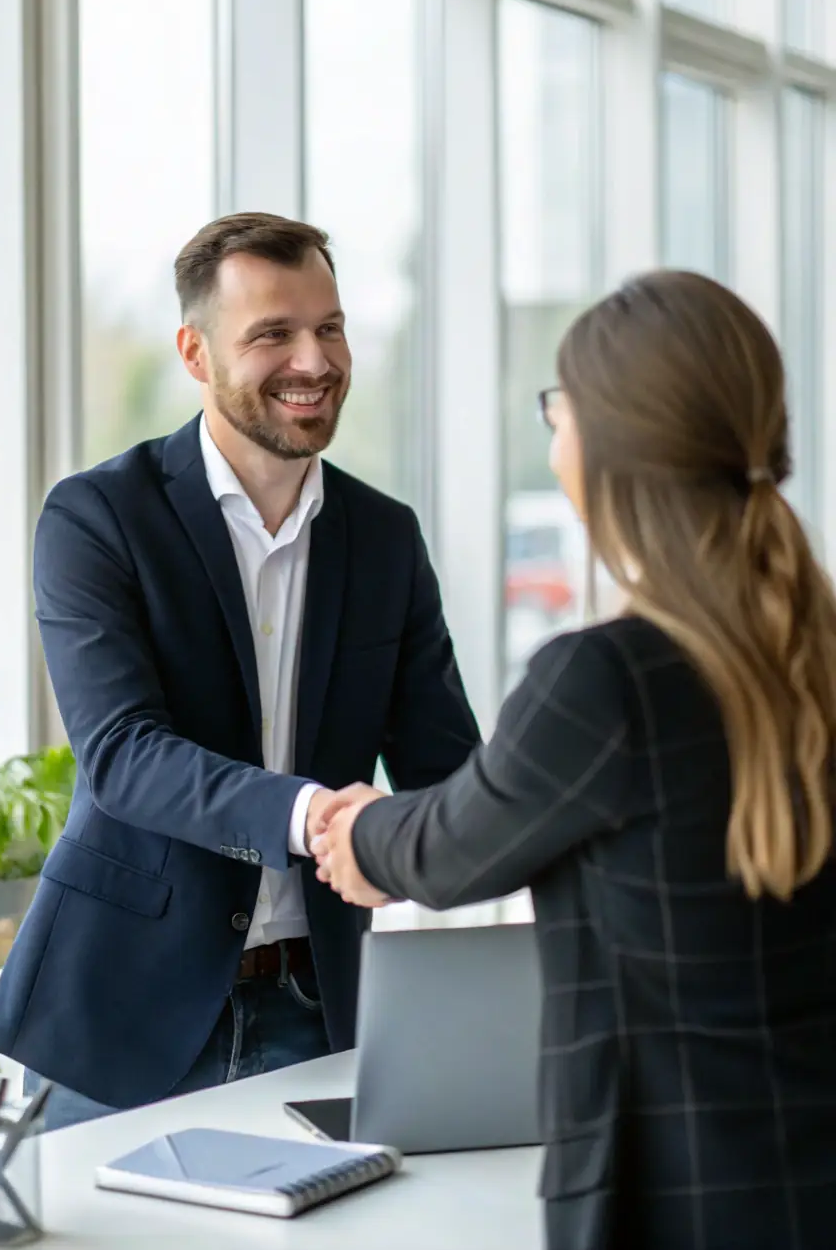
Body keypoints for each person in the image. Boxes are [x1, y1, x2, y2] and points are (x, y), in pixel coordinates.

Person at [313, 270, 836, 1250]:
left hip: (678, 1204)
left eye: (560, 411)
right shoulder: (810, 649)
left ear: (609, 446)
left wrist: (356, 831)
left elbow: (454, 845)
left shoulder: (609, 680)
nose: (555, 438)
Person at [0, 212, 479, 1131]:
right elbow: (125, 755)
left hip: (319, 1007)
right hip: (120, 1012)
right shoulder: (98, 519)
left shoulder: (385, 539)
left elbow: (447, 771)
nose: (314, 359)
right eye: (272, 334)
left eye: (329, 327)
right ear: (195, 351)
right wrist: (319, 816)